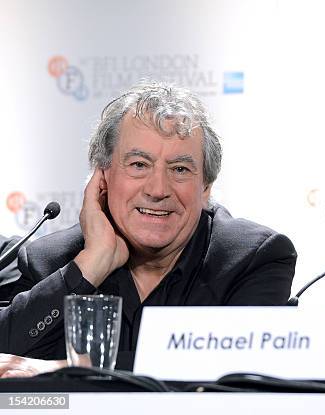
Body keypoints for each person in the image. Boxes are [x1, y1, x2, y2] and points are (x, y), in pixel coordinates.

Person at [0, 81, 297, 377]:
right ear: (102, 178)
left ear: (205, 188)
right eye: (139, 165)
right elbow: (6, 360)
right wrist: (91, 265)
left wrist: (69, 368)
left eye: (180, 169)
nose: (158, 189)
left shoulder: (253, 258)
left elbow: (242, 371)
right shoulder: (50, 261)